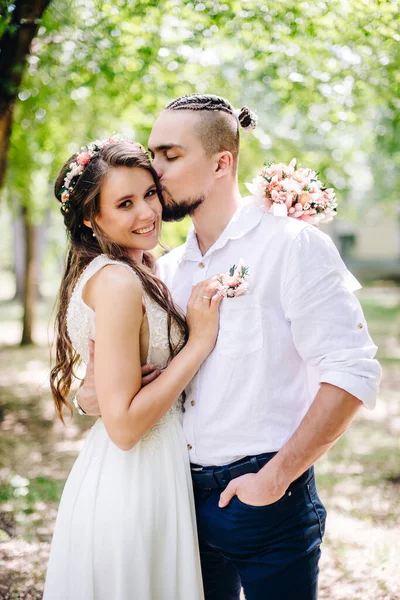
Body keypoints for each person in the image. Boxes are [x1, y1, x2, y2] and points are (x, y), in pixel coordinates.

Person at [78, 95, 382, 600]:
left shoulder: (292, 245)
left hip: (266, 498)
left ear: (222, 162)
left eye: (170, 156)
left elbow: (352, 373)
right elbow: (114, 391)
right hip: (175, 499)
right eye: (153, 155)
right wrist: (91, 395)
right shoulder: (166, 272)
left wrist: (275, 478)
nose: (155, 171)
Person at [44, 136, 224, 600]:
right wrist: (199, 343)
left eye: (148, 194)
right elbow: (125, 428)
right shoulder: (118, 281)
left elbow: (108, 393)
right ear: (90, 218)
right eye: (124, 203)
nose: (147, 213)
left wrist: (94, 395)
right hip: (134, 479)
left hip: (142, 471)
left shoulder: (134, 269)